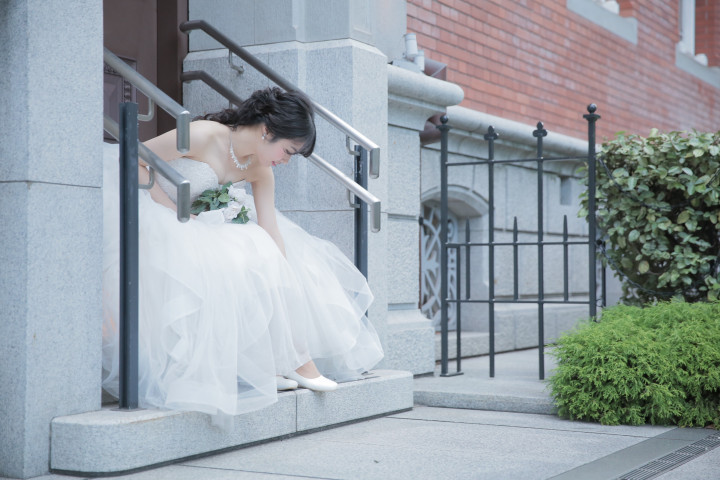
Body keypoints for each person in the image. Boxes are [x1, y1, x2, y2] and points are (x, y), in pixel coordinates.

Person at [101, 87, 383, 424]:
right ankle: (276, 363)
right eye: (288, 151)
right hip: (150, 206)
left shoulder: (260, 169)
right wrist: (171, 211)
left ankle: (278, 360)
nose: (286, 160)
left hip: (198, 224)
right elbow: (133, 155)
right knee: (222, 256)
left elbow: (270, 228)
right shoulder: (205, 135)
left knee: (260, 251)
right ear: (267, 131)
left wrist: (284, 272)